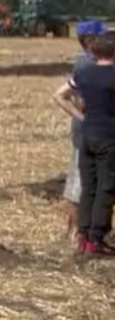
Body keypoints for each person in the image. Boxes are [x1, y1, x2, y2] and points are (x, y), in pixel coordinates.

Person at [55, 31, 115, 257]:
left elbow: (59, 95)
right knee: (106, 186)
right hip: (108, 136)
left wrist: (81, 117)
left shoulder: (85, 72)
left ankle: (83, 235)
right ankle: (96, 239)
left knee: (89, 187)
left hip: (87, 135)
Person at [61, 20, 104, 238]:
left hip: (88, 132)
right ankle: (79, 237)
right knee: (80, 187)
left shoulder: (88, 63)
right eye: (102, 37)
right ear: (90, 41)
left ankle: (75, 233)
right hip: (88, 134)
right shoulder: (88, 65)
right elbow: (79, 100)